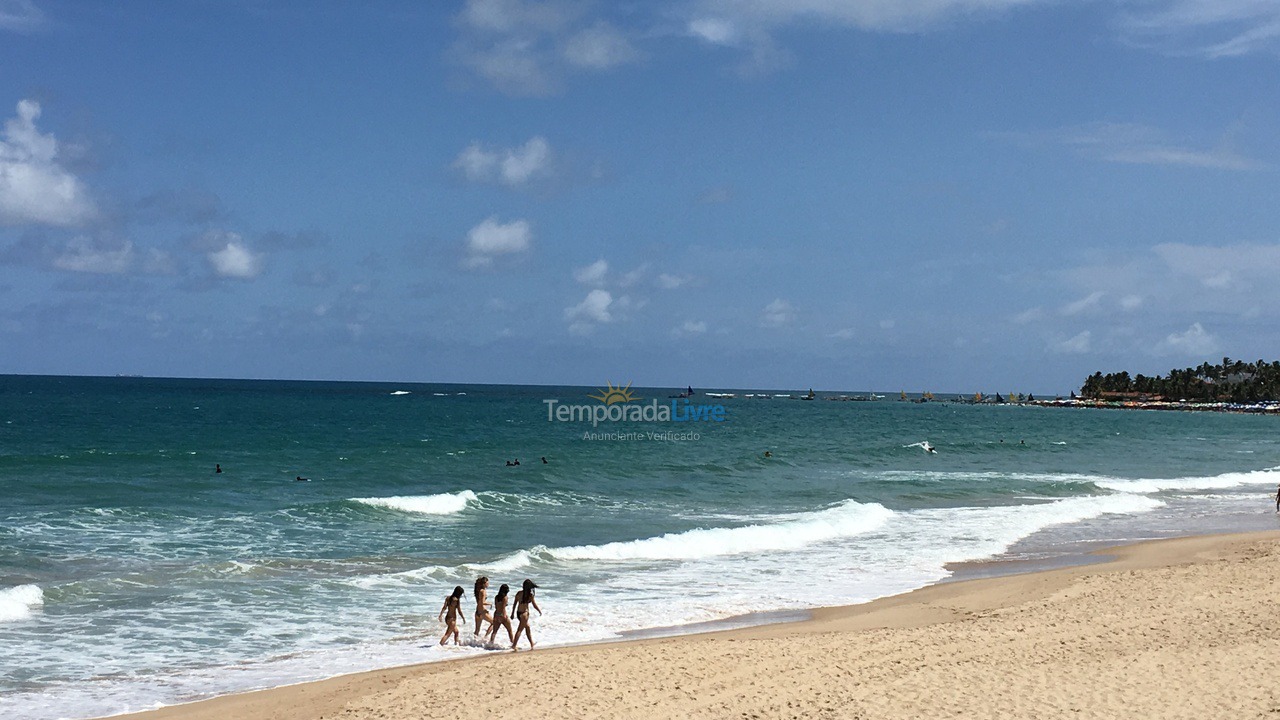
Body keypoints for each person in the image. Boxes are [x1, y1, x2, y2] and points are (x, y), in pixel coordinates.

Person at [511, 578, 541, 650]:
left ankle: (531, 643)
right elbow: (534, 605)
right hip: (525, 614)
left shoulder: (518, 593)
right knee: (520, 630)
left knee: (527, 627)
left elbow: (514, 604)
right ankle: (514, 645)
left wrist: (512, 613)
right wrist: (539, 611)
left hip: (518, 613)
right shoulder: (530, 595)